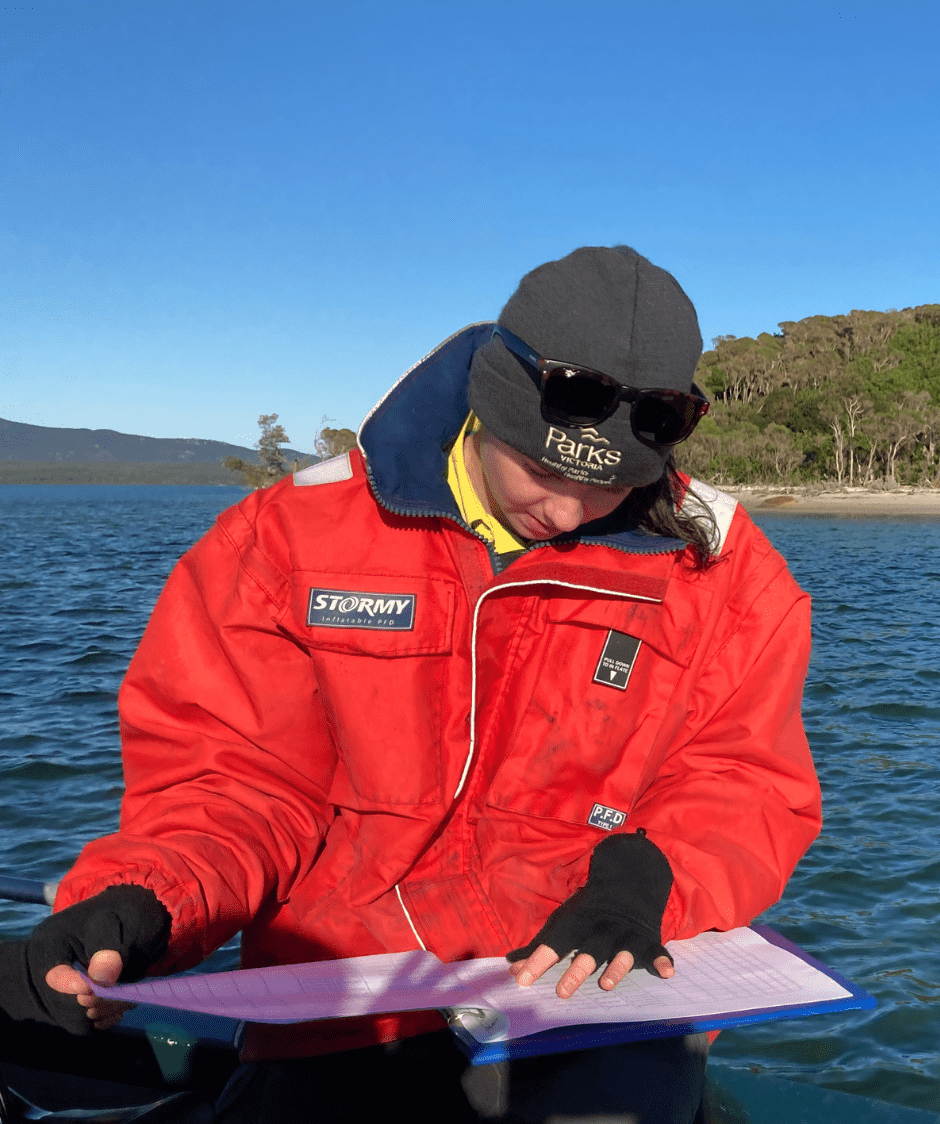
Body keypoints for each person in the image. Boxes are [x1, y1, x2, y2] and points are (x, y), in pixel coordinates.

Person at [0, 247, 821, 1123]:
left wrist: (648, 878)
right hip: (348, 1005)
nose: (568, 512)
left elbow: (744, 782)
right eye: (545, 472)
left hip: (595, 1000)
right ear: (488, 408)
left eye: (610, 485)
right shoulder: (285, 540)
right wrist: (145, 899)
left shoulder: (727, 573)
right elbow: (235, 786)